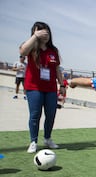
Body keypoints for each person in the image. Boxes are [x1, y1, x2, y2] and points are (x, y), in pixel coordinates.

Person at [19, 22, 66, 153]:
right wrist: (35, 36)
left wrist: (61, 84)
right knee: (35, 115)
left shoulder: (53, 51)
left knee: (51, 114)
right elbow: (23, 51)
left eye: (47, 32)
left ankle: (47, 138)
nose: (45, 35)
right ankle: (33, 141)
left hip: (50, 88)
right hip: (34, 87)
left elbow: (57, 68)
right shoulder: (31, 47)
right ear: (35, 33)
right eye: (41, 32)